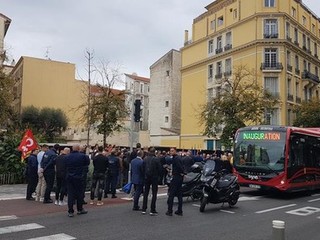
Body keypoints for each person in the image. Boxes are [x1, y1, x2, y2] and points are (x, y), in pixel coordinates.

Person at [65, 144, 88, 217]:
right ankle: (80, 209)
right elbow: (87, 163)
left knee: (70, 194)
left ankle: (70, 211)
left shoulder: (67, 156)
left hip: (69, 177)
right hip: (79, 177)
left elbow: (65, 165)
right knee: (79, 194)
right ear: (78, 148)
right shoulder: (83, 156)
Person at [142, 147, 162, 216]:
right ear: (154, 152)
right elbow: (160, 169)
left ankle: (144, 209)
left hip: (146, 177)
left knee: (146, 193)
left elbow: (142, 168)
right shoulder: (156, 159)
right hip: (154, 177)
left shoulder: (145, 159)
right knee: (154, 193)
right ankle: (152, 209)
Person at [166, 147, 185, 216]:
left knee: (171, 194)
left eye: (172, 151)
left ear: (175, 151)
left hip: (176, 177)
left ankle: (170, 210)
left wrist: (181, 172)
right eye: (170, 151)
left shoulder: (176, 158)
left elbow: (180, 167)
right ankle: (180, 210)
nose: (171, 152)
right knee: (179, 194)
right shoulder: (177, 158)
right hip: (179, 177)